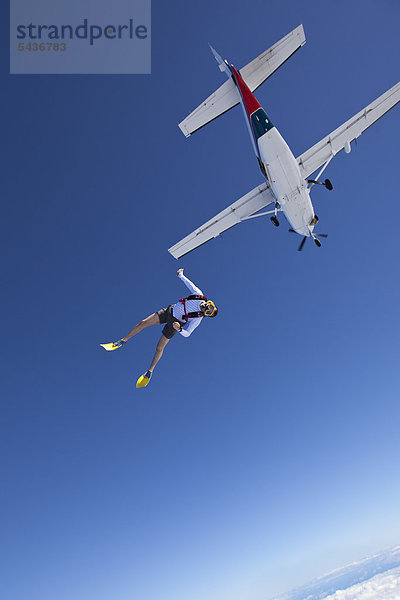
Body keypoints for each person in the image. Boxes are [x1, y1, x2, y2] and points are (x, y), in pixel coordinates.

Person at [100, 269, 218, 387]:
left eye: (209, 312)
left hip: (175, 324)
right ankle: (122, 341)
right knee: (143, 323)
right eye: (211, 308)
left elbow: (188, 333)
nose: (208, 309)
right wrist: (181, 275)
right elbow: (190, 285)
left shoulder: (198, 318)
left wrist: (179, 329)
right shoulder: (199, 295)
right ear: (210, 303)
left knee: (159, 347)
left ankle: (149, 371)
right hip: (169, 311)